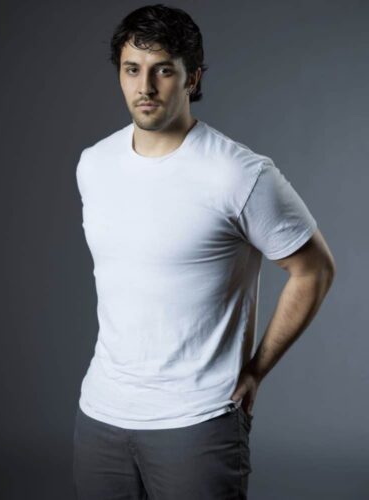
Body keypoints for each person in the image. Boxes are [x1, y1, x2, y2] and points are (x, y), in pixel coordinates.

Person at [72, 4, 336, 499]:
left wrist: (257, 369)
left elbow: (314, 271)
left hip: (197, 423)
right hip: (101, 418)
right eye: (132, 69)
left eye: (162, 70)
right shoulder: (94, 164)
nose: (145, 86)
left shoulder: (238, 174)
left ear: (191, 78)